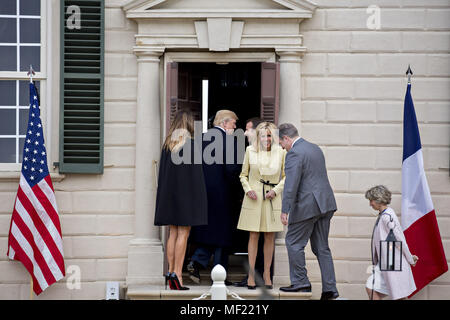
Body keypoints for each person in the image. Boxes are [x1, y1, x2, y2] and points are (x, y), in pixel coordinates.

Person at [278, 123, 339, 300]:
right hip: (325, 203)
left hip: (307, 205)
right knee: (322, 248)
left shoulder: (294, 153)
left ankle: (300, 282)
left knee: (293, 242)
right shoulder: (314, 148)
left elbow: (291, 184)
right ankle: (330, 289)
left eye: (281, 142)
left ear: (287, 138)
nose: (281, 146)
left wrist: (285, 209)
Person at [154, 110, 208, 290]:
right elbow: (197, 177)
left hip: (170, 196)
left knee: (173, 233)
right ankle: (178, 275)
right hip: (187, 197)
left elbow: (162, 175)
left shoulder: (167, 146)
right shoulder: (192, 146)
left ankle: (170, 272)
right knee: (183, 234)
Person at [187, 110, 242, 284]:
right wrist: (240, 190)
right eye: (233, 123)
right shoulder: (230, 141)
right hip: (223, 193)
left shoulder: (199, 140)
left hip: (201, 193)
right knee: (223, 233)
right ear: (224, 123)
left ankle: (198, 261)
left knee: (213, 230)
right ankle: (218, 275)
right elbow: (232, 169)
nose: (235, 126)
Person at [238, 122, 286, 289]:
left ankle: (266, 274)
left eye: (269, 135)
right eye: (263, 135)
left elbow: (286, 177)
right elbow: (243, 175)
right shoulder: (250, 150)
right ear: (258, 136)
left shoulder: (281, 152)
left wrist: (276, 191)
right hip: (254, 196)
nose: (266, 139)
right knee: (253, 235)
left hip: (272, 196)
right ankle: (251, 275)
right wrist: (248, 189)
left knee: (270, 236)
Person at [365, 185, 418, 300]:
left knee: (399, 294)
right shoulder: (385, 215)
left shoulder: (387, 217)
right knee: (372, 287)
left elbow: (399, 239)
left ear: (379, 200)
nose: (370, 204)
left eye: (371, 200)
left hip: (392, 262)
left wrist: (409, 258)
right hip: (387, 262)